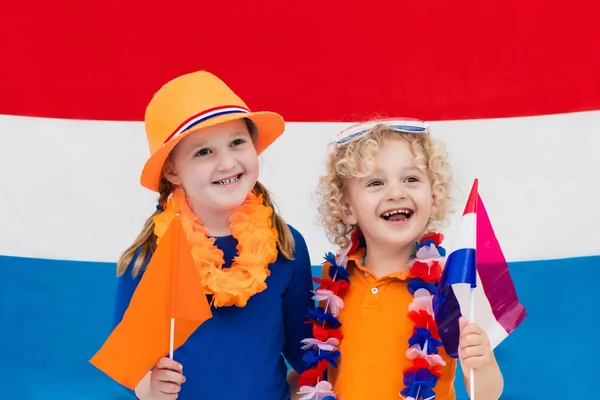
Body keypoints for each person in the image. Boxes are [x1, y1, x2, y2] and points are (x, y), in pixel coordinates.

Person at [113, 70, 314, 399]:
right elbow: (131, 363)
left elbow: (304, 350)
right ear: (172, 171)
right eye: (203, 152)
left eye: (237, 142)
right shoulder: (151, 257)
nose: (226, 163)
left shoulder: (286, 246)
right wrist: (149, 388)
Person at [294, 119, 504, 400]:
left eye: (411, 179)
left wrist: (483, 361)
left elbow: (485, 394)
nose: (396, 193)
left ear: (434, 194)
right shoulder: (334, 278)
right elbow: (319, 371)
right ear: (347, 207)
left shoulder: (451, 284)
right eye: (376, 182)